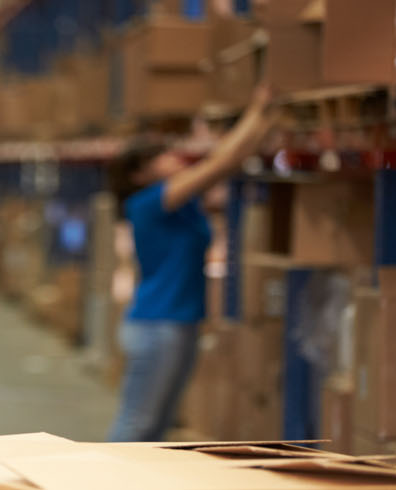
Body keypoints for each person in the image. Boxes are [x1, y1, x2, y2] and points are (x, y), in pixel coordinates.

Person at [105, 86, 278, 442]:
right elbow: (222, 163)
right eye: (160, 156)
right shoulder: (149, 203)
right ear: (140, 175)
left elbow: (230, 162)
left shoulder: (180, 203)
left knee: (157, 427)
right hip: (157, 325)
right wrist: (260, 109)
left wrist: (265, 122)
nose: (172, 157)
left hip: (179, 324)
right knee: (138, 425)